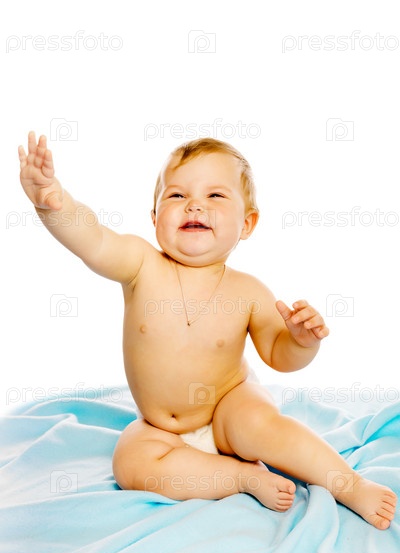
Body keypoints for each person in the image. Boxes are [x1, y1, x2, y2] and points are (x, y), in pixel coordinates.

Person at [18, 132, 397, 529]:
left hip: (228, 407)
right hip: (161, 428)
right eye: (177, 195)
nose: (195, 204)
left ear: (247, 223)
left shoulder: (247, 291)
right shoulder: (140, 266)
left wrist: (302, 342)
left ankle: (349, 484)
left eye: (215, 195)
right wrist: (52, 200)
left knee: (259, 426)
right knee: (130, 464)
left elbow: (278, 354)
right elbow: (93, 240)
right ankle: (240, 477)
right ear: (154, 218)